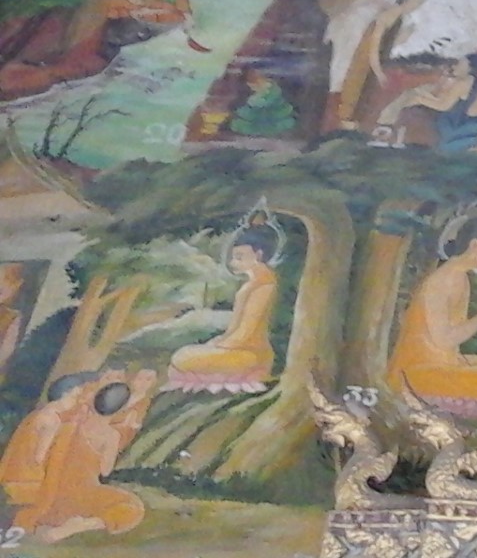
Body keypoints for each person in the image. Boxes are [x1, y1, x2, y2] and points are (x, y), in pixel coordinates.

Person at [387, 213, 477, 419]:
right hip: (414, 374)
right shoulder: (442, 280)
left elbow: (447, 347)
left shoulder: (460, 277)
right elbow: (444, 340)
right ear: (474, 244)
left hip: (441, 363)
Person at [2, 369, 157, 541]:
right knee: (132, 507)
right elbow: (105, 471)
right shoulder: (111, 435)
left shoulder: (69, 425)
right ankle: (84, 525)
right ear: (120, 408)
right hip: (83, 494)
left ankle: (66, 526)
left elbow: (45, 457)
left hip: (50, 495)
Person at [167, 223, 281, 392]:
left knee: (182, 358)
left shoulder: (265, 285)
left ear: (258, 255)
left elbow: (245, 333)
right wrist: (217, 342)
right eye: (234, 257)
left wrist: (218, 347)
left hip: (251, 355)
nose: (233, 263)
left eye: (239, 257)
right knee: (183, 355)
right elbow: (233, 329)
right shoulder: (250, 285)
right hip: (236, 348)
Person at [328, 0, 430, 131]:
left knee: (366, 94)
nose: (417, 6)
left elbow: (388, 43)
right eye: (418, 2)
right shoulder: (387, 15)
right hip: (366, 60)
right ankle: (345, 124)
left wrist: (405, 35)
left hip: (376, 61)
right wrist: (378, 71)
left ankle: (353, 126)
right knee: (356, 91)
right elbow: (373, 45)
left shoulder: (399, 18)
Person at [377, 54, 477, 153]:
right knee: (440, 124)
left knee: (445, 147)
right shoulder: (461, 80)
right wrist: (420, 94)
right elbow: (439, 96)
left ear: (470, 69)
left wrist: (418, 99)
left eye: (460, 64)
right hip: (459, 118)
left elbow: (443, 105)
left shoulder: (464, 83)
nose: (455, 66)